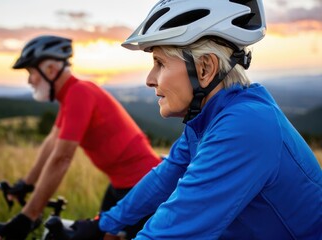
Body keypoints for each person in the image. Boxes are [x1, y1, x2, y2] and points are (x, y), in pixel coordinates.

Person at [62, 0, 322, 239]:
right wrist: (102, 224)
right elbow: (163, 178)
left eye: (160, 63)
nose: (150, 79)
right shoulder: (210, 120)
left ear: (205, 68)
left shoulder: (246, 126)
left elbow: (173, 231)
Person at [0, 35, 161, 240]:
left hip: (141, 184)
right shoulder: (71, 95)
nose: (29, 80)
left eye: (30, 72)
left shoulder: (79, 93)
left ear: (50, 70)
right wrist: (26, 184)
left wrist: (27, 217)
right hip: (120, 184)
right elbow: (51, 143)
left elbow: (61, 158)